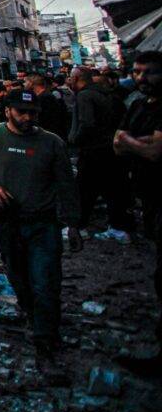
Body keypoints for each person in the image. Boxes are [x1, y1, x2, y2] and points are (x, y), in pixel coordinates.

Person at [0, 90, 81, 368]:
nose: (27, 117)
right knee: (19, 279)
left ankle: (45, 340)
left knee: (46, 282)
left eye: (32, 113)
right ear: (8, 111)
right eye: (21, 112)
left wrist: (74, 225)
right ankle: (33, 315)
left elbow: (66, 184)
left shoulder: (51, 143)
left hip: (43, 223)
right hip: (7, 224)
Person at [112, 51, 162, 377]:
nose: (141, 78)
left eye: (149, 72)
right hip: (149, 197)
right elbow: (118, 144)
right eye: (136, 71)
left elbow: (154, 151)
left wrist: (130, 142)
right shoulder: (139, 105)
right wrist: (133, 142)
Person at [68, 67, 131, 241]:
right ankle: (117, 227)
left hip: (93, 150)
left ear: (78, 78)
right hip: (110, 149)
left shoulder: (85, 96)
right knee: (111, 189)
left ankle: (79, 227)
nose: (69, 81)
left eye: (71, 78)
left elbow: (87, 124)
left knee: (84, 189)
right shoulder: (107, 95)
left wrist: (75, 140)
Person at [26, 73, 69, 140]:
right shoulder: (44, 96)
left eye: (26, 81)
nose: (24, 84)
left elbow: (47, 120)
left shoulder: (45, 98)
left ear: (31, 83)